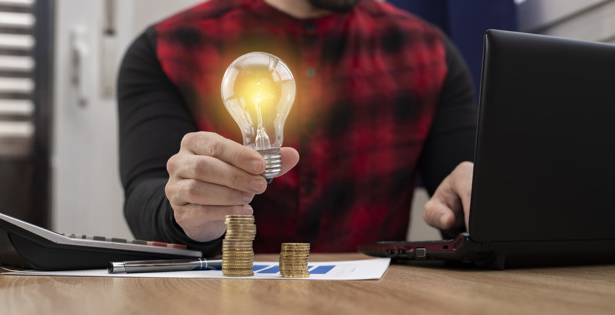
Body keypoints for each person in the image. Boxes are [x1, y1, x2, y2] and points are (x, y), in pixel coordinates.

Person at [118, 0, 476, 257]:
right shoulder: (166, 49)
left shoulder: (430, 54)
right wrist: (186, 210)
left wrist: (475, 202)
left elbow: (458, 205)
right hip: (219, 314)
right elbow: (146, 195)